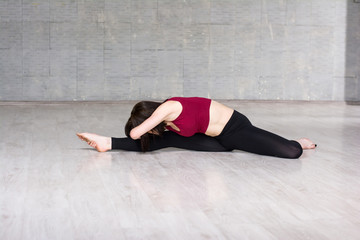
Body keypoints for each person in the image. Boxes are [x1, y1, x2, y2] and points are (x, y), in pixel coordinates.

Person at [77, 97, 317, 159]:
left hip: (236, 131)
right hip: (217, 142)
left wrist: (142, 127)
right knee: (166, 139)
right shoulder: (166, 122)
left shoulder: (168, 108)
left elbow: (135, 133)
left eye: (149, 125)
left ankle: (296, 141)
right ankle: (107, 142)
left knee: (292, 153)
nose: (151, 129)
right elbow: (141, 133)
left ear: (151, 116)